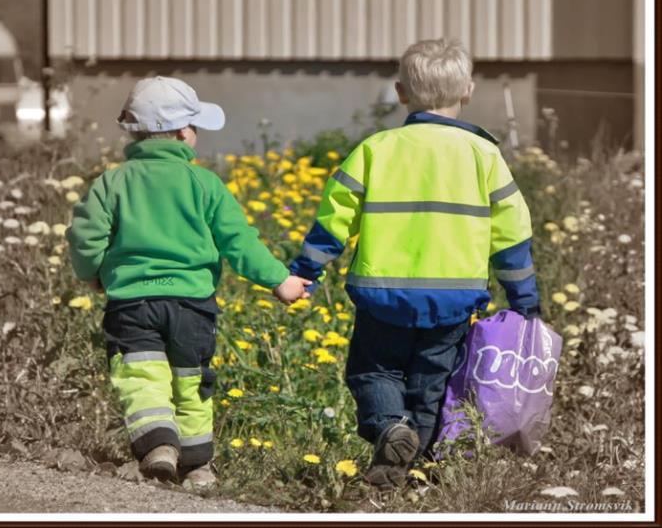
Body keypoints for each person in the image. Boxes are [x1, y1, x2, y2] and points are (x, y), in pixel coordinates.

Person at [289, 38, 541, 490]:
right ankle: (414, 470)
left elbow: (333, 220)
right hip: (453, 299)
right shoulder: (484, 155)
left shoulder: (376, 149)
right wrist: (525, 303)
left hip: (382, 296)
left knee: (373, 371)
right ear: (468, 90)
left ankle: (389, 429)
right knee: (432, 385)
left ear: (400, 92)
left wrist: (305, 272)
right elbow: (513, 236)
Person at [66, 76, 309, 489]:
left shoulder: (113, 181)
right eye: (195, 127)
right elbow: (240, 242)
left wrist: (92, 273)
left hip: (132, 304)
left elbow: (85, 236)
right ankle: (198, 468)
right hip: (193, 305)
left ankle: (159, 443)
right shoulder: (205, 184)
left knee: (143, 377)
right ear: (182, 133)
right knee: (192, 383)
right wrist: (280, 280)